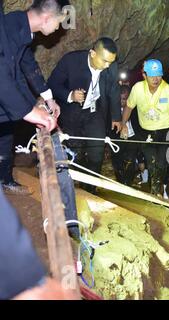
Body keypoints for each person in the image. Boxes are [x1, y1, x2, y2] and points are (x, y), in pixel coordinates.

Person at [0, 0, 67, 195]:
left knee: (6, 136)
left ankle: (4, 179)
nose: (58, 28)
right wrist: (29, 111)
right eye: (58, 22)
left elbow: (24, 69)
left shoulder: (22, 31)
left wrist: (46, 100)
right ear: (47, 18)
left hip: (6, 101)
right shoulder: (7, 28)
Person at [48, 37, 122, 194]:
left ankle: (90, 189)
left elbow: (114, 90)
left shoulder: (111, 66)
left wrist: (116, 117)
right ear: (93, 53)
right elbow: (52, 84)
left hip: (95, 113)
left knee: (97, 152)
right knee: (77, 152)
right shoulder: (71, 61)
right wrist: (70, 95)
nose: (108, 66)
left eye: (111, 62)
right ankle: (79, 187)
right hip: (72, 114)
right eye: (105, 61)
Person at [120, 59, 169, 196]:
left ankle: (158, 188)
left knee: (162, 163)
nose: (156, 79)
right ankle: (156, 192)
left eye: (158, 75)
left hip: (165, 132)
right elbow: (129, 107)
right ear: (145, 75)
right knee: (151, 163)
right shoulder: (137, 88)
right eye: (152, 75)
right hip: (146, 133)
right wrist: (123, 125)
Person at [110, 85, 139, 185]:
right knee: (117, 163)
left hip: (132, 138)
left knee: (130, 161)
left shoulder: (136, 109)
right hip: (117, 140)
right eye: (121, 99)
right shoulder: (112, 110)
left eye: (126, 99)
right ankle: (121, 183)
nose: (123, 101)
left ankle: (128, 184)